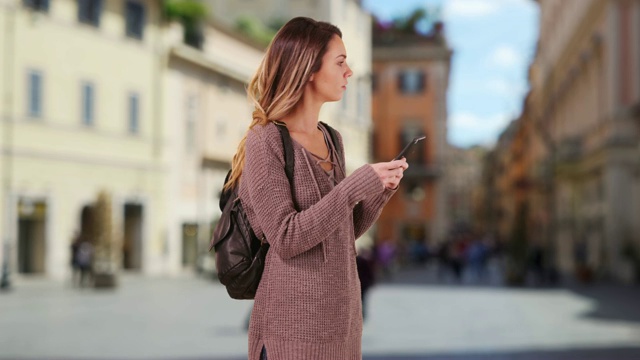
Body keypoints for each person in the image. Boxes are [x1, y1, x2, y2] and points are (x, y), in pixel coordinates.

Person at [227, 17, 408, 360]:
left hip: (342, 329)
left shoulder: (331, 138)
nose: (349, 72)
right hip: (291, 332)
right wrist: (356, 184)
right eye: (340, 62)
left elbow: (343, 230)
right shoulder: (265, 140)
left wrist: (381, 190)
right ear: (309, 68)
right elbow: (287, 236)